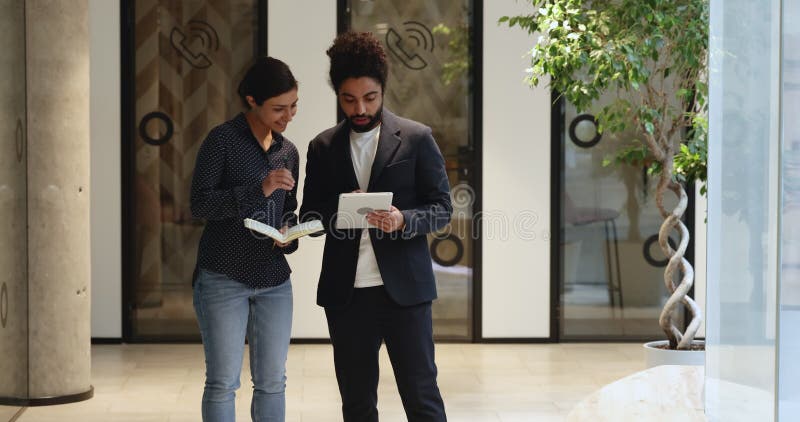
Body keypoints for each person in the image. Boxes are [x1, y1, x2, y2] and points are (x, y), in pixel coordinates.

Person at [300, 31, 451, 422]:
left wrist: (403, 219)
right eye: (349, 99)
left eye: (370, 98)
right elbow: (310, 219)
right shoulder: (322, 148)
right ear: (338, 95)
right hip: (347, 296)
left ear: (383, 90)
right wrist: (340, 209)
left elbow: (441, 209)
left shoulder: (416, 139)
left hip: (405, 293)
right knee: (357, 403)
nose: (360, 108)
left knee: (422, 398)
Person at [189, 56, 300, 422]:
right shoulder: (221, 141)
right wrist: (259, 188)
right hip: (223, 275)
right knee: (223, 382)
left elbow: (289, 209)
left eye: (293, 106)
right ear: (252, 101)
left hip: (274, 280)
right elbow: (200, 204)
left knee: (272, 381)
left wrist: (289, 232)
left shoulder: (288, 152)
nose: (288, 116)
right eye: (278, 108)